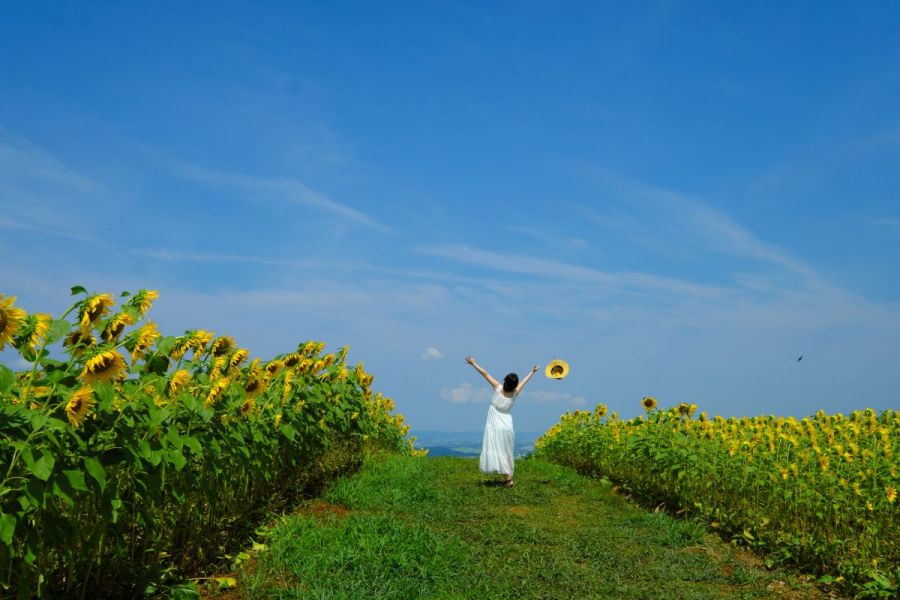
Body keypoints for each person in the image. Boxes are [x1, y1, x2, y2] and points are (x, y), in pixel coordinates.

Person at [465, 356, 540, 487]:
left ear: (505, 381)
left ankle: (508, 478)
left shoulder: (498, 388)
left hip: (495, 422)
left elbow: (485, 373)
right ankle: (508, 478)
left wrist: (474, 363)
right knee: (506, 450)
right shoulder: (515, 393)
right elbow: (524, 382)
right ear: (515, 385)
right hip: (507, 424)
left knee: (496, 448)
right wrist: (532, 372)